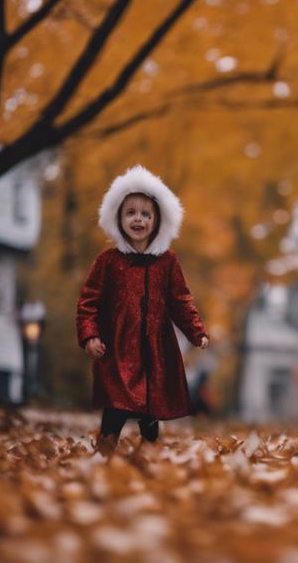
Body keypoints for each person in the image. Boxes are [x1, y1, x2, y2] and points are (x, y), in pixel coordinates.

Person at [76, 165, 209, 455]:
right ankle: (105, 452)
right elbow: (89, 301)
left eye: (146, 214)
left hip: (154, 350)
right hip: (117, 347)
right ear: (118, 218)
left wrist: (196, 332)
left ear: (158, 220)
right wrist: (90, 336)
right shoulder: (108, 261)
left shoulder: (167, 262)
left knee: (151, 407)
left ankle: (149, 455)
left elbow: (180, 300)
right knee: (116, 406)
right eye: (131, 213)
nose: (138, 219)